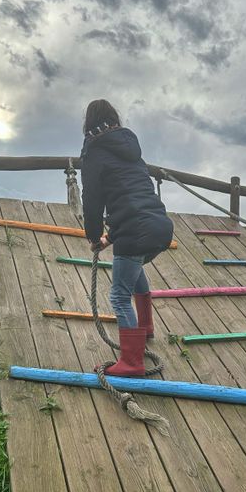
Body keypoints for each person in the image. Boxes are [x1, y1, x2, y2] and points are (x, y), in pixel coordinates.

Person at [80, 99, 173, 377]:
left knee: (119, 296)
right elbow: (132, 200)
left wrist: (94, 235)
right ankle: (144, 329)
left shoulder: (94, 153)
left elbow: (93, 200)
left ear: (89, 123)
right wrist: (110, 237)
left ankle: (132, 361)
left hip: (135, 230)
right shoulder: (131, 149)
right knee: (134, 271)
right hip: (159, 227)